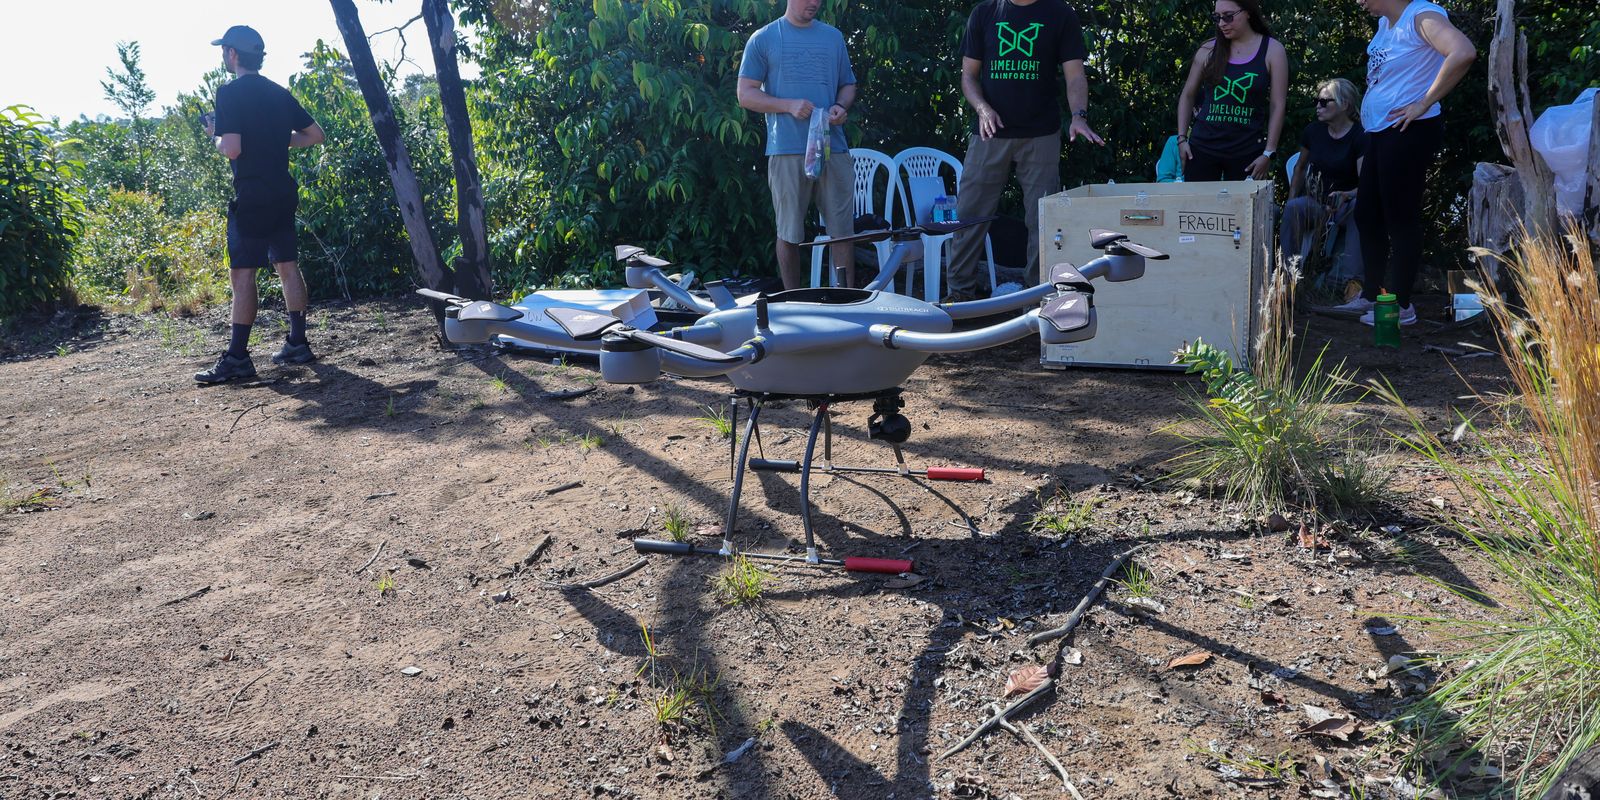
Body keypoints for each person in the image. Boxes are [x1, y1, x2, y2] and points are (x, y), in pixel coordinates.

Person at [1323, 0, 1475, 326]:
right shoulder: (1384, 26)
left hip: (1408, 131)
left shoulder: (1420, 16)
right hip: (1381, 131)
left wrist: (1422, 103)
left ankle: (1400, 307)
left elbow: (1462, 51)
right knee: (1367, 214)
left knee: (1400, 219)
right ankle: (1370, 297)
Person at [942, 0, 1105, 303]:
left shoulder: (1060, 13)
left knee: (1043, 221)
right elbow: (968, 76)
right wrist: (982, 109)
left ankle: (1037, 300)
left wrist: (1079, 116)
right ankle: (959, 297)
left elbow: (1075, 75)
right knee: (969, 216)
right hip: (989, 133)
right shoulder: (985, 12)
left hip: (1040, 134)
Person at [195, 25, 325, 384]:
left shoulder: (229, 93)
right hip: (282, 192)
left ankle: (237, 358)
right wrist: (274, 141)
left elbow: (232, 148)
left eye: (224, 50)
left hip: (251, 195)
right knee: (287, 265)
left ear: (233, 55)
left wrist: (214, 136)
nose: (223, 56)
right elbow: (315, 135)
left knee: (242, 275)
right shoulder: (278, 92)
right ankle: (297, 343)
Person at [737, 0, 858, 290]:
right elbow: (745, 94)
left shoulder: (833, 37)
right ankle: (793, 302)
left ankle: (847, 301)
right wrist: (787, 105)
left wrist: (841, 106)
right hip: (786, 149)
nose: (815, 2)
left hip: (833, 146)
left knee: (843, 233)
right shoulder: (764, 38)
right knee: (789, 233)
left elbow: (848, 84)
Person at [1176, 0, 1289, 182]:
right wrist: (1181, 139)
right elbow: (1188, 94)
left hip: (1247, 151)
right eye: (1217, 17)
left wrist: (1269, 152)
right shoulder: (1207, 50)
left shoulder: (1273, 50)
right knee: (1198, 210)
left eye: (1228, 17)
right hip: (1203, 147)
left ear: (1248, 12)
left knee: (1245, 209)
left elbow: (1278, 104)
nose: (1221, 24)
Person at [1282, 78, 1367, 281]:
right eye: (1316, 101)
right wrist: (1291, 198)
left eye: (1324, 102)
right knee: (1294, 208)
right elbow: (1300, 168)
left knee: (1361, 207)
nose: (1318, 107)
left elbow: (1366, 184)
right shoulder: (1313, 132)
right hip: (1317, 204)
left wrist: (1346, 195)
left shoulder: (1360, 136)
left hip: (1346, 206)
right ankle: (1288, 278)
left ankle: (1351, 283)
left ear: (1344, 105)